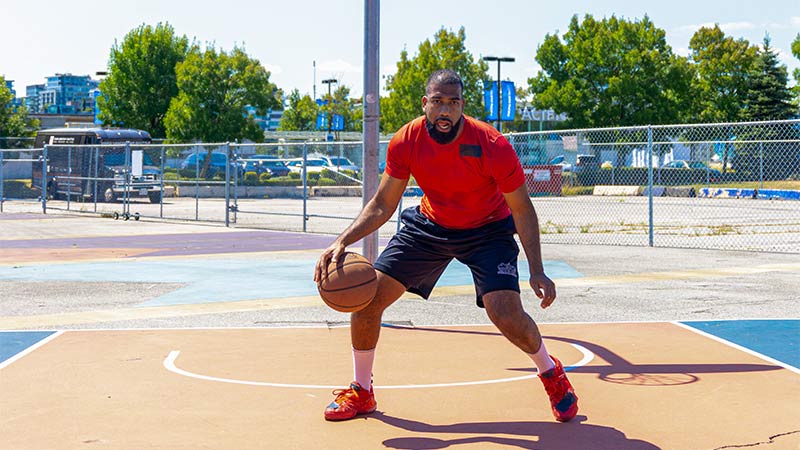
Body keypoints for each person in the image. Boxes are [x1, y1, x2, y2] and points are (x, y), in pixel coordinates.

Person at [313, 69, 578, 423]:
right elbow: (382, 203)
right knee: (368, 299)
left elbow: (521, 208)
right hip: (431, 225)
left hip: (488, 231)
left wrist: (537, 269)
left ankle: (551, 373)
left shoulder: (492, 145)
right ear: (425, 103)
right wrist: (342, 241)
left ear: (462, 106)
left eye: (453, 103)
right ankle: (362, 391)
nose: (445, 110)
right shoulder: (406, 140)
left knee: (505, 313)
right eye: (437, 102)